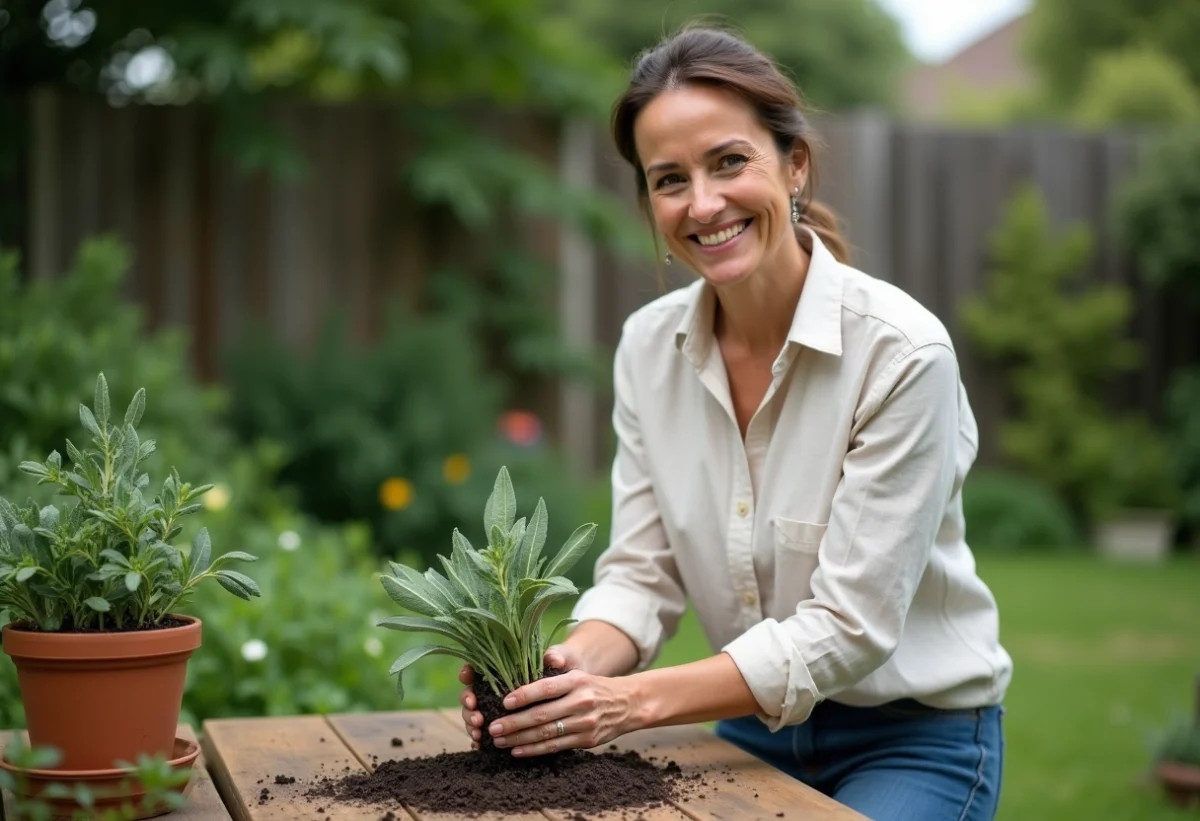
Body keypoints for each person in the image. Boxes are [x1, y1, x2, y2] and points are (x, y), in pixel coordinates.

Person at [457, 24, 1012, 821]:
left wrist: (627, 703)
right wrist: (560, 674)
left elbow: (848, 627)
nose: (704, 203)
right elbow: (641, 575)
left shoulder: (901, 352)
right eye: (669, 179)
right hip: (748, 730)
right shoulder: (649, 349)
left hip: (914, 739)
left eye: (728, 161)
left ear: (794, 164)